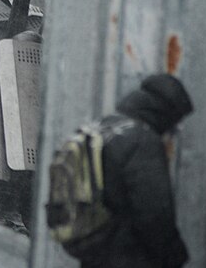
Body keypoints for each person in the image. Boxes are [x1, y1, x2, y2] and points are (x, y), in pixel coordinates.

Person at [69, 73, 193, 268]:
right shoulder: (142, 142)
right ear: (162, 112)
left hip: (94, 256)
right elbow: (155, 214)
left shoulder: (103, 128)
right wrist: (176, 258)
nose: (175, 130)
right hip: (129, 258)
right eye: (175, 121)